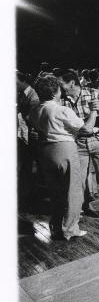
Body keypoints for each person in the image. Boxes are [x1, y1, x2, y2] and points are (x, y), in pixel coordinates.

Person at [30, 75, 99, 240]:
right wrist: (94, 111)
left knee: (55, 192)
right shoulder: (61, 110)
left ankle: (55, 227)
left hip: (45, 151)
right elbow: (87, 129)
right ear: (56, 92)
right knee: (73, 191)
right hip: (64, 149)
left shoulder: (36, 109)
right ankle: (70, 230)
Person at [58, 69, 99, 223]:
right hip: (78, 142)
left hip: (98, 139)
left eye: (61, 84)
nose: (58, 88)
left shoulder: (93, 93)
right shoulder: (63, 100)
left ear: (71, 82)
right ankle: (81, 207)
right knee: (79, 178)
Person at [17, 71, 40, 211]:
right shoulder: (22, 94)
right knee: (26, 166)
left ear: (23, 81)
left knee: (30, 167)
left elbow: (34, 120)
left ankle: (30, 196)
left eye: (15, 82)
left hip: (31, 137)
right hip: (24, 136)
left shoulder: (33, 96)